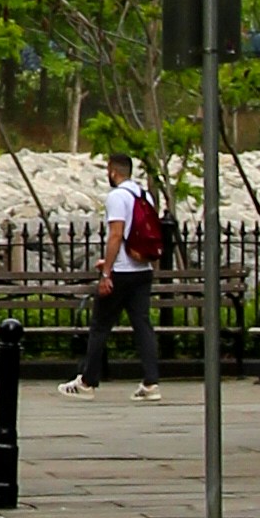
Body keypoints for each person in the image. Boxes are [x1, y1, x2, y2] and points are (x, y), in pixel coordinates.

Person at [82, 148, 165, 390]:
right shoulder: (145, 196)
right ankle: (151, 382)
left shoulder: (117, 197)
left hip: (122, 272)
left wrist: (106, 272)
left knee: (100, 326)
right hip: (143, 269)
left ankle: (88, 381)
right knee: (142, 325)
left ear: (113, 171)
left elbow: (116, 235)